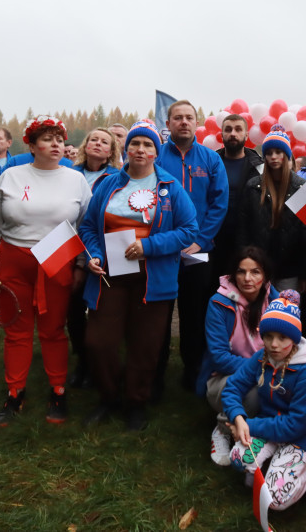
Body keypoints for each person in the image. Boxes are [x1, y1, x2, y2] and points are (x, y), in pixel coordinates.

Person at [79, 120, 198, 430]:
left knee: (145, 345)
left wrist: (150, 246)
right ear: (126, 149)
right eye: (135, 144)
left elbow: (189, 230)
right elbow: (89, 226)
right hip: (109, 275)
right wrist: (93, 253)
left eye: (148, 145)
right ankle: (108, 397)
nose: (141, 149)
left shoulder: (171, 188)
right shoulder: (108, 183)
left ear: (156, 152)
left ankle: (135, 402)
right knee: (99, 342)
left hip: (152, 277)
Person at [0, 116, 91, 426]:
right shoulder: (11, 176)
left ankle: (58, 389)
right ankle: (15, 391)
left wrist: (81, 265)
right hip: (14, 259)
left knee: (53, 328)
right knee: (16, 328)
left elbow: (86, 226)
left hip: (57, 260)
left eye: (59, 138)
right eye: (47, 138)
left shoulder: (76, 180)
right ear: (31, 145)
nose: (55, 144)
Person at [223, 296, 306, 510]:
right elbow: (232, 387)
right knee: (237, 457)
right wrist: (238, 417)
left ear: (294, 338)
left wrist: (247, 426)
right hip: (270, 426)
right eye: (268, 336)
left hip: (300, 437)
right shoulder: (262, 357)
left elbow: (294, 426)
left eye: (282, 337)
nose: (274, 344)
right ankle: (271, 466)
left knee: (274, 501)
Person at [155, 100, 229, 394]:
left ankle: (192, 369)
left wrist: (200, 240)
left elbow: (219, 203)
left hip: (198, 251)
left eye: (189, 117)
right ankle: (155, 371)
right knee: (159, 312)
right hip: (161, 251)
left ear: (196, 123)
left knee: (194, 312)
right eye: (177, 118)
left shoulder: (210, 159)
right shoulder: (155, 157)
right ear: (169, 123)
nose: (183, 122)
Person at [197, 247, 279, 466]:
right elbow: (219, 358)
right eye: (241, 272)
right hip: (225, 377)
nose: (247, 278)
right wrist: (259, 369)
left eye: (255, 272)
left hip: (266, 371)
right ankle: (223, 428)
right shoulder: (219, 303)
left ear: (266, 276)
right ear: (233, 274)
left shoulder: (275, 299)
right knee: (253, 394)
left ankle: (262, 434)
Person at [67, 127, 121, 388]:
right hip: (67, 245)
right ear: (85, 145)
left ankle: (97, 362)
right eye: (94, 139)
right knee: (72, 307)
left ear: (111, 151)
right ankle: (81, 360)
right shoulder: (68, 174)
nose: (98, 144)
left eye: (104, 142)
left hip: (99, 248)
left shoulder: (117, 177)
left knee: (98, 309)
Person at [238, 126, 306, 293]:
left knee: (285, 315)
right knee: (257, 316)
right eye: (269, 153)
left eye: (278, 152)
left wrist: (305, 274)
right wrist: (244, 261)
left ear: (286, 155)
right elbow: (243, 230)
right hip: (258, 265)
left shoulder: (301, 187)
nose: (273, 157)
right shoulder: (253, 186)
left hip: (289, 268)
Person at [213, 114, 263, 284]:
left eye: (238, 129)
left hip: (246, 243)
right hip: (213, 241)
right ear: (221, 135)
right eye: (228, 129)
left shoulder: (260, 167)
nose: (233, 133)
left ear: (246, 135)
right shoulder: (210, 164)